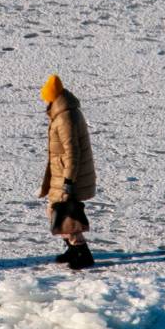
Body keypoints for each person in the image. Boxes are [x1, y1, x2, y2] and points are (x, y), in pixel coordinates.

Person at [38, 74, 96, 270]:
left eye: (46, 97)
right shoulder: (63, 112)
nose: (44, 101)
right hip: (61, 172)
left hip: (68, 175)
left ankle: (82, 253)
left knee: (65, 216)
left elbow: (72, 152)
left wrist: (68, 181)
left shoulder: (65, 117)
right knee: (59, 213)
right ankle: (73, 250)